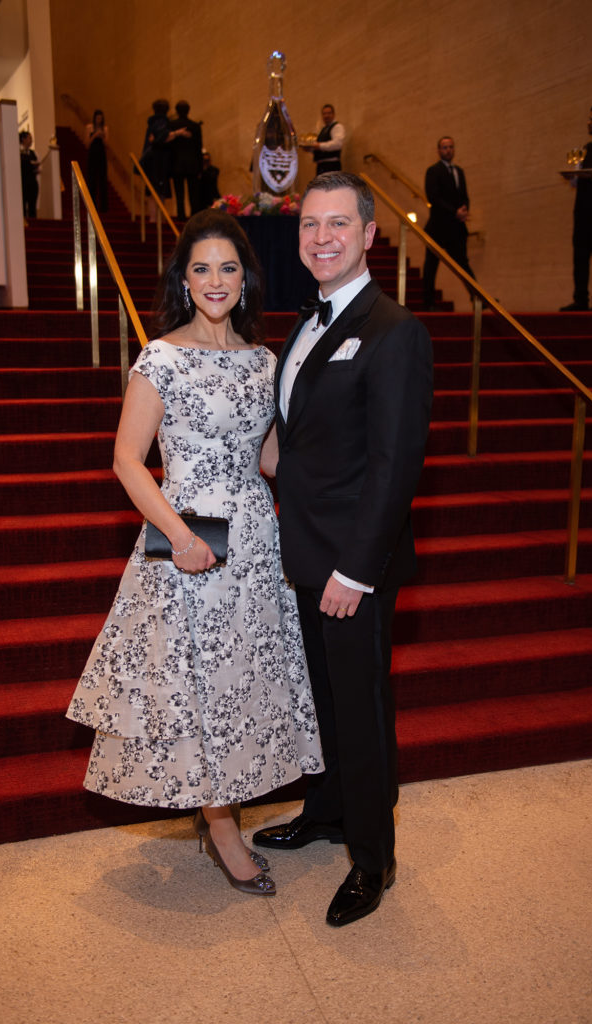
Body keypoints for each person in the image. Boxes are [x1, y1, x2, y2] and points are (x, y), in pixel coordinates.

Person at [66, 209, 323, 898]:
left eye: (229, 268)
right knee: (197, 683)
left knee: (242, 677)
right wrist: (178, 537)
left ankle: (225, 810)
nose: (216, 280)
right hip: (184, 530)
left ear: (246, 278)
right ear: (184, 279)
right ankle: (222, 826)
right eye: (202, 268)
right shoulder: (161, 355)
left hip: (252, 537)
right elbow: (125, 461)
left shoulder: (262, 359)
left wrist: (335, 483)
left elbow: (267, 458)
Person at [252, 172, 433, 927]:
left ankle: (372, 857)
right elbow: (301, 441)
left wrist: (355, 571)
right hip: (307, 552)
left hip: (351, 565)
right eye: (308, 226)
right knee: (324, 699)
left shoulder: (395, 331)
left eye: (337, 224)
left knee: (358, 709)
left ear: (367, 235)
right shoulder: (306, 323)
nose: (320, 237)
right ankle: (327, 810)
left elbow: (395, 465)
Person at [560, 101, 592, 311]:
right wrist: (573, 174)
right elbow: (577, 182)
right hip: (582, 209)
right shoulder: (587, 148)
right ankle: (580, 299)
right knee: (579, 255)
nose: (589, 123)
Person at [422, 136, 477, 310]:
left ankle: (476, 298)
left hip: (456, 228)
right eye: (445, 147)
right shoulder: (433, 171)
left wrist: (464, 210)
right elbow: (433, 197)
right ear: (439, 150)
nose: (448, 150)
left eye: (451, 147)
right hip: (438, 227)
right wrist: (455, 212)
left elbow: (464, 195)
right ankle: (428, 302)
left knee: (463, 264)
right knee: (431, 266)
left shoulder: (459, 171)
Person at [169, 100, 203, 220]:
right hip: (193, 164)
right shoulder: (194, 126)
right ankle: (194, 217)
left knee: (179, 194)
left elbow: (169, 148)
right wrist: (200, 167)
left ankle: (181, 216)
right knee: (193, 194)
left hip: (176, 164)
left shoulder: (172, 126)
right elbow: (199, 148)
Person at [300, 104, 345, 176]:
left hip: (331, 166)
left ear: (333, 114)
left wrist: (318, 145)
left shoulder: (337, 127)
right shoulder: (323, 129)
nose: (326, 116)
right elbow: (320, 148)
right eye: (324, 114)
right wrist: (310, 149)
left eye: (329, 113)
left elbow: (337, 144)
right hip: (321, 166)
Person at [86, 109, 108, 212]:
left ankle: (103, 206)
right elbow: (87, 143)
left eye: (101, 117)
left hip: (101, 154)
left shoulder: (105, 129)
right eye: (98, 117)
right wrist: (95, 135)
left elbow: (106, 144)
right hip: (92, 154)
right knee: (92, 179)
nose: (99, 119)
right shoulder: (89, 128)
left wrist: (102, 136)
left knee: (102, 178)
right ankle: (92, 204)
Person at [19, 131, 40, 220]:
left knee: (32, 205)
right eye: (29, 138)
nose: (31, 140)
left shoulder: (33, 153)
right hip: (23, 182)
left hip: (32, 182)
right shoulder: (18, 152)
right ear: (23, 139)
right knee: (22, 205)